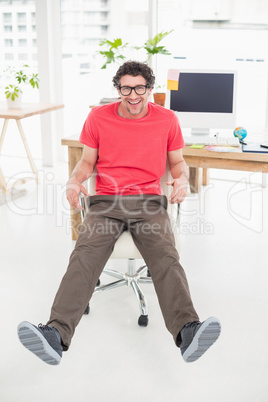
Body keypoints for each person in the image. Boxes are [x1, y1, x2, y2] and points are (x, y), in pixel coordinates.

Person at [18, 61, 221, 365]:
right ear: (117, 89)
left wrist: (181, 178)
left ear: (150, 89)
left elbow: (178, 163)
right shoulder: (98, 117)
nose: (133, 95)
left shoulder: (167, 119)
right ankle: (55, 335)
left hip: (149, 202)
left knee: (166, 257)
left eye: (140, 88)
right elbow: (87, 162)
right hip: (106, 202)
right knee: (83, 255)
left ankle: (188, 331)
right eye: (126, 88)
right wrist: (75, 179)